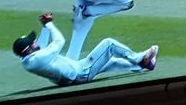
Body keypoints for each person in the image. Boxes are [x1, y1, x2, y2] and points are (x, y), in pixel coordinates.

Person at [14, 12, 159, 87]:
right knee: (109, 44)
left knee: (112, 62)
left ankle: (143, 66)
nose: (34, 41)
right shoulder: (37, 59)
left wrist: (45, 26)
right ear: (27, 50)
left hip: (75, 71)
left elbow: (42, 46)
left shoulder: (30, 60)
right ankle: (140, 59)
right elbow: (59, 41)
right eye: (31, 43)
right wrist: (50, 25)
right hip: (80, 74)